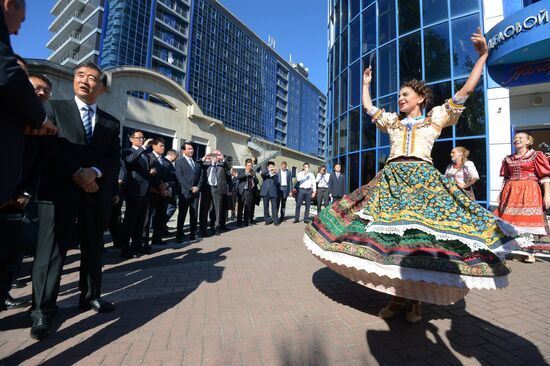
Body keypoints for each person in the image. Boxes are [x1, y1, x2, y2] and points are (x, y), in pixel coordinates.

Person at [304, 28, 517, 324]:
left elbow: (466, 91)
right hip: (391, 183)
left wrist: (482, 57)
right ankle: (399, 297)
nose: (400, 98)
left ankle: (413, 300)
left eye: (405, 95)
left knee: (418, 241)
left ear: (420, 98)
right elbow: (368, 108)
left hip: (421, 183)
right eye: (399, 95)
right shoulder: (394, 123)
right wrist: (365, 84)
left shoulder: (435, 118)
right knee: (393, 243)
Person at [30, 62, 121, 339]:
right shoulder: (54, 108)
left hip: (95, 192)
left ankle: (91, 295)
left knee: (94, 246)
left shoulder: (110, 122)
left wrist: (93, 173)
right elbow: (46, 146)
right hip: (59, 191)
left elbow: (112, 158)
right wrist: (76, 172)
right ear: (74, 81)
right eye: (80, 75)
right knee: (51, 251)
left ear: (101, 88)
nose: (85, 81)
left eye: (93, 78)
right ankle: (42, 310)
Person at [494, 132, 550, 263]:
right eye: (515, 138)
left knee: (529, 220)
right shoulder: (508, 158)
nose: (517, 139)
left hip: (529, 190)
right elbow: (506, 177)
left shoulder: (536, 156)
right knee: (512, 221)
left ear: (528, 142)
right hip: (511, 190)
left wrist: (547, 194)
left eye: (520, 138)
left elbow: (545, 176)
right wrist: (500, 193)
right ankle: (517, 251)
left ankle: (530, 252)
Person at [119, 131, 155, 258]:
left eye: (142, 138)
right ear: (131, 139)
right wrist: (144, 146)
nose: (141, 140)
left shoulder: (145, 155)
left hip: (145, 192)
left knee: (141, 222)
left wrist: (151, 170)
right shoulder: (128, 151)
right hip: (134, 191)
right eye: (138, 138)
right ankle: (125, 249)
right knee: (130, 221)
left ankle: (137, 246)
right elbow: (130, 160)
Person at [144, 138, 171, 246]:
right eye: (161, 146)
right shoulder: (148, 157)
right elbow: (147, 175)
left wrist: (165, 186)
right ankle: (144, 240)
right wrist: (159, 187)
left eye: (164, 146)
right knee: (147, 217)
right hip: (152, 192)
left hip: (163, 194)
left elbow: (170, 177)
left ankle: (157, 238)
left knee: (160, 216)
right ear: (154, 146)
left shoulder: (166, 161)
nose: (163, 148)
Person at [199, 149, 231, 236]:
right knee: (204, 210)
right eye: (214, 154)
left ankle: (216, 227)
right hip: (207, 189)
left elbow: (229, 167)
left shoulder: (222, 165)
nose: (216, 156)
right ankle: (203, 229)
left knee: (218, 209)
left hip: (218, 189)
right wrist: (204, 158)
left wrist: (222, 158)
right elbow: (197, 165)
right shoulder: (205, 164)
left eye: (218, 154)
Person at [175, 142, 202, 242]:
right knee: (182, 214)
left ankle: (193, 234)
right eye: (189, 149)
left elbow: (201, 177)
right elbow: (180, 177)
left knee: (194, 214)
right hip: (185, 192)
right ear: (184, 150)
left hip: (195, 193)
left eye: (192, 149)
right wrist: (190, 188)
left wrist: (198, 187)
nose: (191, 150)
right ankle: (179, 235)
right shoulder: (179, 162)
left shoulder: (196, 163)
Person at [236, 159, 259, 226]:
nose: (249, 167)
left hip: (249, 191)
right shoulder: (241, 171)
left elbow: (257, 181)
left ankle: (247, 221)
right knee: (240, 207)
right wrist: (246, 174)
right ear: (245, 166)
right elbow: (238, 177)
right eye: (248, 165)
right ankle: (239, 222)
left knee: (248, 207)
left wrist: (254, 177)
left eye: (250, 166)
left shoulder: (253, 172)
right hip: (242, 191)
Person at [260, 161, 280, 226]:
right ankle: (267, 220)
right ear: (268, 167)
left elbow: (277, 183)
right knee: (266, 207)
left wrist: (274, 176)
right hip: (265, 192)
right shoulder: (265, 174)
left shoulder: (276, 174)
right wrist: (269, 170)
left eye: (272, 167)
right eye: (270, 167)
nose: (272, 168)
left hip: (273, 193)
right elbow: (262, 174)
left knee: (274, 207)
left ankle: (275, 221)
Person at [164, 148, 179, 228]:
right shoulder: (165, 163)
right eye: (176, 157)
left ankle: (162, 225)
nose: (176, 159)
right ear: (172, 155)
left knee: (170, 207)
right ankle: (161, 224)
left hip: (171, 190)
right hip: (167, 190)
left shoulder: (170, 164)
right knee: (171, 207)